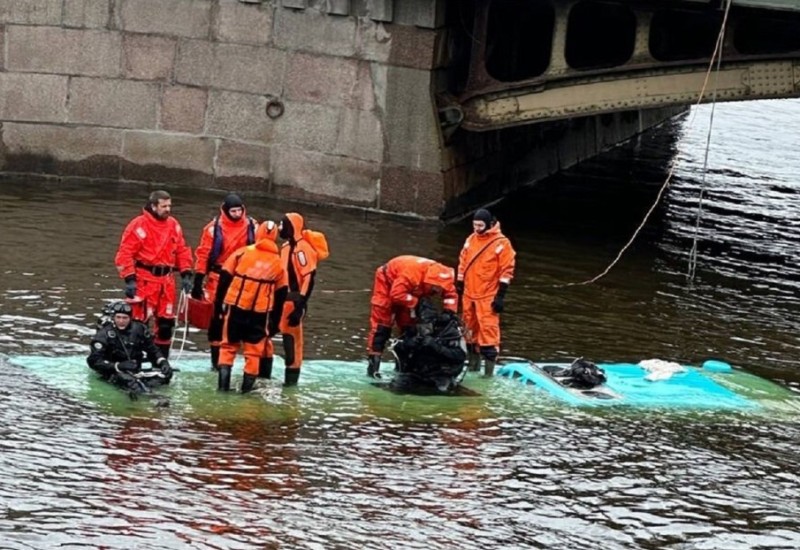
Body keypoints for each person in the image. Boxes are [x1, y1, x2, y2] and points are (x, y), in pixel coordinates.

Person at [114, 190, 193, 359]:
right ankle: (133, 359)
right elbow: (124, 253)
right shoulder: (139, 225)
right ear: (153, 206)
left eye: (169, 206)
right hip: (144, 280)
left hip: (166, 282)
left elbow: (181, 250)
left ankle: (161, 361)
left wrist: (186, 273)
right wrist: (129, 279)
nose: (168, 209)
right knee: (138, 324)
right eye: (164, 206)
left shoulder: (173, 225)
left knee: (166, 325)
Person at [213, 220, 288, 394]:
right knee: (254, 353)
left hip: (236, 309)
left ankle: (223, 389)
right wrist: (275, 323)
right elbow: (281, 294)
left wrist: (218, 307)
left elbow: (224, 278)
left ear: (259, 234)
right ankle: (246, 393)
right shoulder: (278, 263)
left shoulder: (242, 253)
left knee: (228, 347)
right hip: (260, 315)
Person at [191, 193, 258, 370]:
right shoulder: (213, 229)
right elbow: (203, 254)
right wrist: (198, 278)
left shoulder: (252, 226)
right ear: (225, 210)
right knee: (216, 320)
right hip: (217, 278)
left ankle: (234, 359)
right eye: (233, 211)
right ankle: (216, 363)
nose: (236, 214)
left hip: (243, 278)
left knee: (240, 319)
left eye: (239, 210)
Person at [366, 255, 459, 379]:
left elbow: (451, 296)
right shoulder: (411, 275)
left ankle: (403, 367)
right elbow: (397, 294)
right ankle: (373, 369)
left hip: (411, 291)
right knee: (381, 327)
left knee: (409, 328)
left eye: (440, 288)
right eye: (435, 287)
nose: (437, 291)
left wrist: (449, 312)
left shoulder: (443, 279)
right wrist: (416, 303)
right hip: (388, 284)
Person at [456, 208, 516, 377]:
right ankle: (473, 366)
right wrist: (460, 282)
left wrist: (500, 296)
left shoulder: (502, 244)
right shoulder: (471, 239)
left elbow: (506, 270)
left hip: (487, 296)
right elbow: (463, 261)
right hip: (469, 293)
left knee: (489, 333)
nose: (477, 228)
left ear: (489, 224)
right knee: (469, 332)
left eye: (480, 225)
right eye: (474, 225)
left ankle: (488, 374)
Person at [277, 213, 329, 387]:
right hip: (278, 301)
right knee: (262, 338)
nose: (279, 228)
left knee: (291, 345)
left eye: (282, 225)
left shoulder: (302, 249)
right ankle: (261, 375)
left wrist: (300, 306)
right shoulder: (285, 247)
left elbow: (309, 277)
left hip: (293, 303)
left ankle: (290, 384)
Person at [87, 301, 173, 399]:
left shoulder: (139, 329)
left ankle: (146, 389)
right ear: (113, 318)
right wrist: (117, 366)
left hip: (135, 367)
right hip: (114, 369)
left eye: (125, 318)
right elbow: (93, 361)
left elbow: (153, 350)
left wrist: (163, 362)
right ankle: (151, 398)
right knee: (128, 381)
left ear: (130, 318)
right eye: (118, 317)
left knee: (166, 375)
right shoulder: (104, 334)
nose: (121, 321)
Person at [389, 298, 467, 394]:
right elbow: (397, 349)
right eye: (421, 325)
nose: (423, 329)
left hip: (441, 374)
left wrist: (436, 347)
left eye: (426, 325)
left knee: (442, 391)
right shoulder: (414, 331)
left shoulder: (449, 332)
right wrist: (409, 344)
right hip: (418, 373)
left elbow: (460, 356)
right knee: (397, 386)